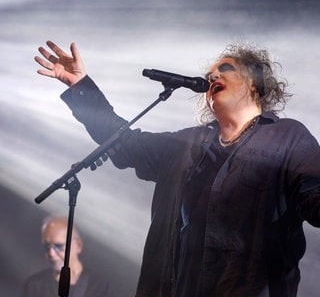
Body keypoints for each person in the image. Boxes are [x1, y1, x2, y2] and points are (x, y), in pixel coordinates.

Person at [34, 40, 320, 297]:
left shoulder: (289, 138)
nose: (212, 77)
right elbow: (124, 144)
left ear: (254, 83)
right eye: (210, 75)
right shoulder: (188, 143)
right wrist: (81, 87)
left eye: (224, 69)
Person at [22, 216, 109, 297]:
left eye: (58, 246)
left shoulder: (100, 286)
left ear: (78, 245)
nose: (51, 253)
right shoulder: (34, 285)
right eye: (47, 246)